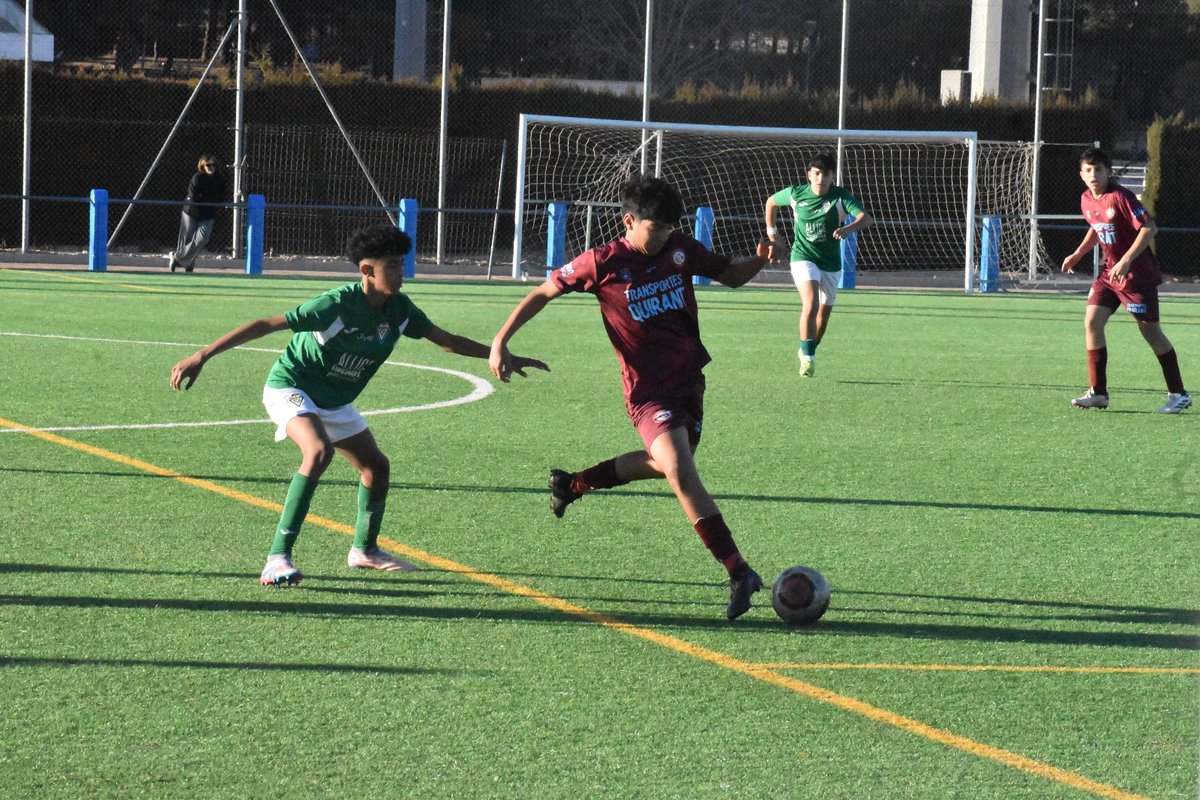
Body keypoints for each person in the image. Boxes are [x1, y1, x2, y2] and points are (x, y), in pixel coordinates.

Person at [169, 224, 547, 586]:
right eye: (393, 266)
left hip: (334, 400)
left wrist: (500, 354)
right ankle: (276, 559)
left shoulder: (400, 310)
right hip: (292, 386)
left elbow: (446, 341)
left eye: (402, 264)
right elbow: (266, 324)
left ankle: (364, 550)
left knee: (376, 468)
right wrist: (202, 355)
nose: (402, 273)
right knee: (317, 452)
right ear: (367, 270)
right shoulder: (335, 305)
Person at [489, 175, 776, 620]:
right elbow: (545, 291)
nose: (662, 235)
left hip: (689, 381)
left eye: (667, 228)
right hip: (646, 391)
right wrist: (501, 340)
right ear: (629, 221)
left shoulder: (680, 249)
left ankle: (573, 483)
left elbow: (730, 276)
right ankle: (738, 570)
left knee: (668, 467)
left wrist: (757, 261)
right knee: (680, 468)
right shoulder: (600, 262)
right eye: (654, 228)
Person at [1060, 147, 1190, 414]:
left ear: (1108, 172)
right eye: (1088, 170)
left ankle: (1178, 393)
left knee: (1151, 333)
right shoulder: (1086, 199)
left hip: (1136, 277)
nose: (1093, 175)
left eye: (1098, 169)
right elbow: (1096, 228)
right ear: (1081, 174)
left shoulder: (1121, 197)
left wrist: (1127, 260)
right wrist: (1077, 254)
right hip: (1110, 275)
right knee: (1092, 322)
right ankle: (1098, 393)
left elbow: (1149, 228)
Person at [764, 154, 873, 377]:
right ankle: (808, 360)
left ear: (832, 176)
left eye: (825, 174)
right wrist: (772, 233)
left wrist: (847, 229)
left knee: (822, 320)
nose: (820, 179)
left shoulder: (840, 197)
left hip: (831, 263)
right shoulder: (796, 193)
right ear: (809, 175)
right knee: (811, 302)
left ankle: (808, 349)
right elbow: (771, 202)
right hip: (803, 257)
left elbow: (866, 218)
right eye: (816, 174)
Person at [169, 155, 228, 273]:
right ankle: (188, 264)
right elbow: (193, 196)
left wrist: (209, 199)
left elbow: (222, 196)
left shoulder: (220, 179)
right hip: (192, 212)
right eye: (208, 165)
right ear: (202, 166)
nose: (211, 167)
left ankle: (176, 257)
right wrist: (210, 198)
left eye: (213, 165)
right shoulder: (197, 178)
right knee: (186, 239)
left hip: (208, 214)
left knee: (202, 239)